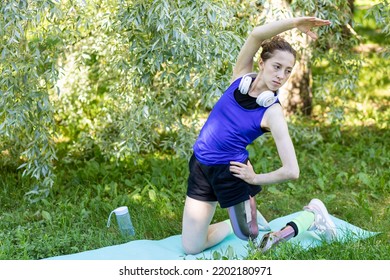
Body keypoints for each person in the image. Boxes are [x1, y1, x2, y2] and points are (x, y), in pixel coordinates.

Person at [181, 17, 333, 255]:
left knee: (253, 240)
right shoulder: (240, 77)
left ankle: (310, 216)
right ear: (261, 63)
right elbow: (256, 35)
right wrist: (295, 24)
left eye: (288, 71)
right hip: (200, 165)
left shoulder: (272, 112)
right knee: (192, 247)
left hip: (230, 171)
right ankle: (245, 219)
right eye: (277, 66)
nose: (281, 76)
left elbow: (292, 170)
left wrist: (254, 179)